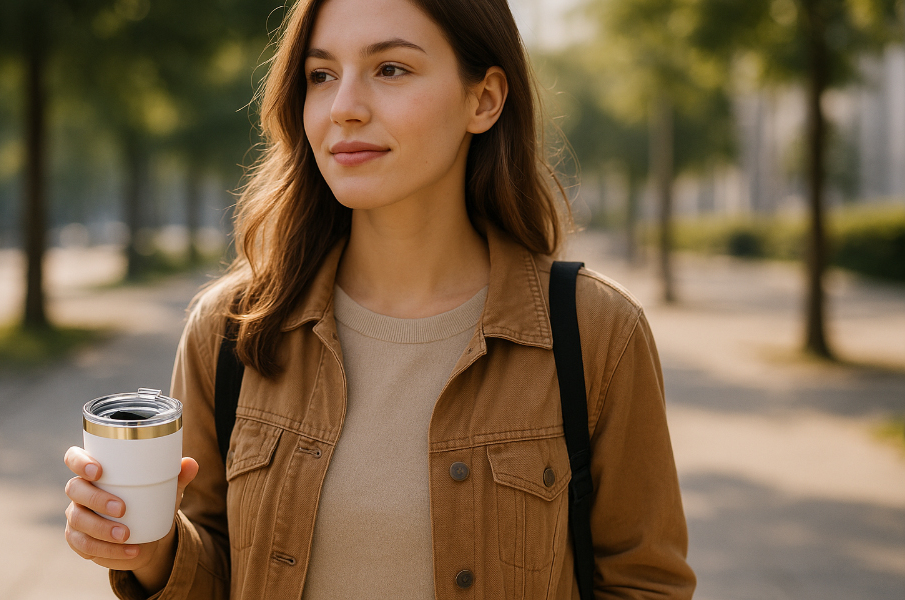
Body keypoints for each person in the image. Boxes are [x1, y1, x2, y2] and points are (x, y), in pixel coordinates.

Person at [62, 0, 696, 597]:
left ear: (484, 99)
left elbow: (648, 584)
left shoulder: (595, 334)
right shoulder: (232, 330)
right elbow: (216, 571)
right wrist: (152, 552)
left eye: (390, 69)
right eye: (320, 74)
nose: (344, 107)